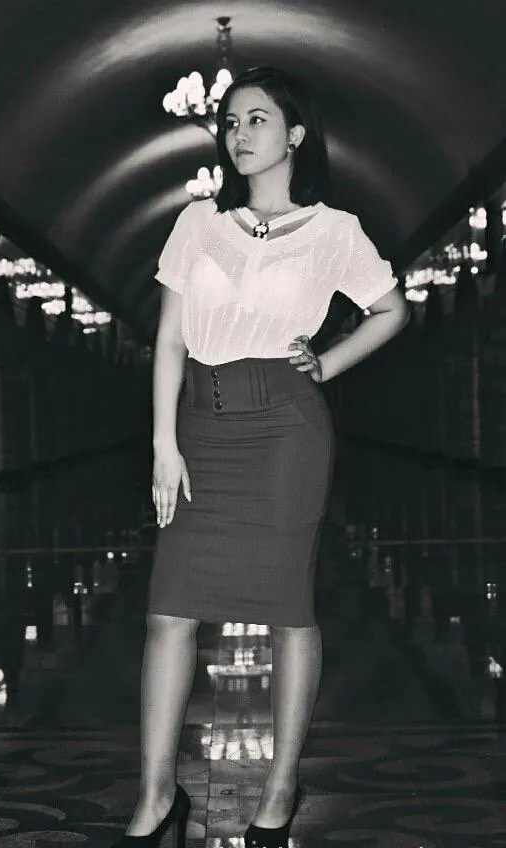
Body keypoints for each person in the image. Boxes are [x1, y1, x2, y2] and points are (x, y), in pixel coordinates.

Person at [112, 65, 409, 848]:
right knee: (167, 611)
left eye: (257, 119)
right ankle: (155, 794)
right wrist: (163, 445)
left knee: (287, 611)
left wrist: (328, 363)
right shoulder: (197, 223)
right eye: (231, 122)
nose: (239, 134)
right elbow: (170, 340)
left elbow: (390, 309)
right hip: (200, 429)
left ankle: (279, 789)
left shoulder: (334, 231)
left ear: (295, 134)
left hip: (286, 431)